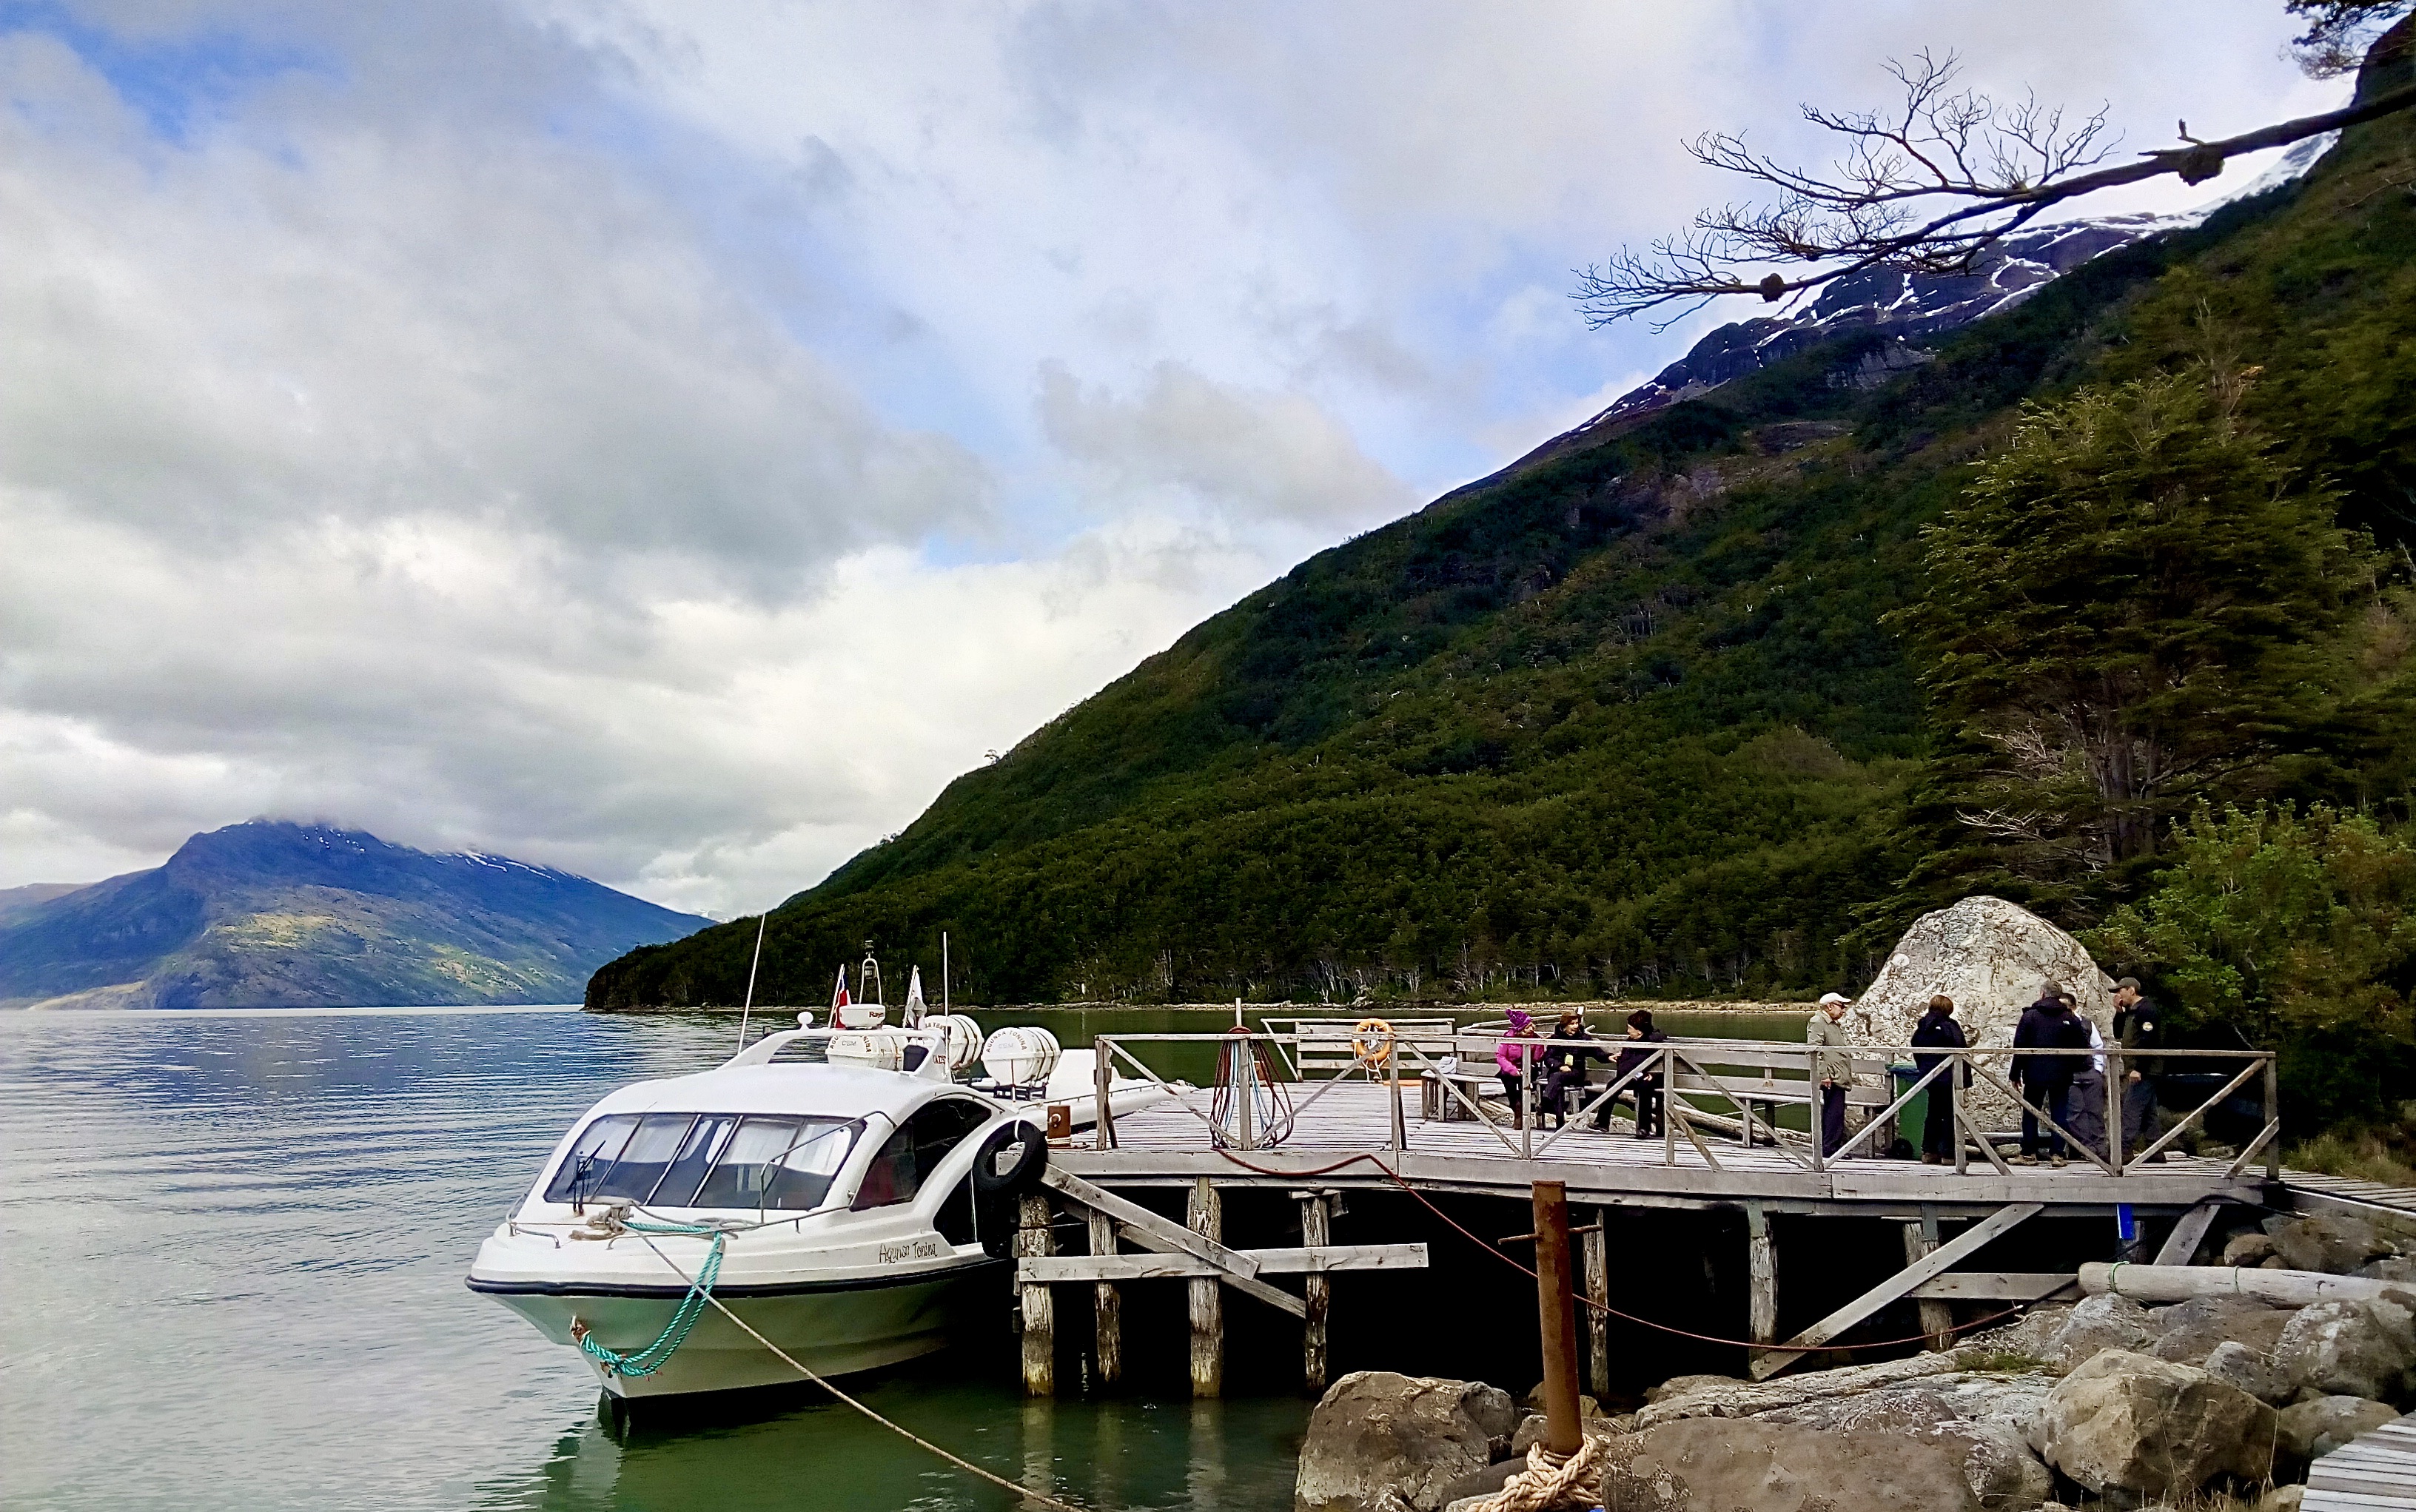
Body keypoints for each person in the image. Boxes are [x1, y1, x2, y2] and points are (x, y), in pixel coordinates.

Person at [2013, 985, 2081, 1166]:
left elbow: (2020, 1046)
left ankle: (2028, 1153)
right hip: (2062, 1074)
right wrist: (2074, 1067)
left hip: (2034, 1073)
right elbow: (2082, 1046)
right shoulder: (2069, 1018)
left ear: (2042, 994)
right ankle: (2058, 1153)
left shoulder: (2030, 1016)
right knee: (2059, 1112)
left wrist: (2015, 1073)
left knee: (2031, 1112)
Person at [1908, 995, 1970, 1164]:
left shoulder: (1922, 1028)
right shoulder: (1950, 1027)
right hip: (1949, 1077)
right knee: (1950, 1114)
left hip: (1930, 1077)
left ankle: (1929, 1151)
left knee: (1933, 1113)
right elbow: (1960, 1051)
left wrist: (1924, 1069)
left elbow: (1917, 1049)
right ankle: (1949, 1154)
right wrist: (1964, 1079)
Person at [2113, 977, 2167, 1163]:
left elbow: (2148, 1041)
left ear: (2131, 990)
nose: (2118, 994)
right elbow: (2119, 1034)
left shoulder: (2147, 1010)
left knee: (2131, 1110)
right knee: (2149, 1111)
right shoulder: (2133, 1012)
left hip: (2145, 1070)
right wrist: (2119, 1012)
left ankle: (2125, 1151)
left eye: (2120, 990)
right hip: (2141, 1069)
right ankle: (2156, 1150)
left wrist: (2138, 1069)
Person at [1606, 1009, 1669, 1136]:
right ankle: (1602, 1121)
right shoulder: (1632, 1042)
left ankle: (1644, 1128)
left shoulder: (1651, 1043)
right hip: (1635, 1076)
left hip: (1654, 1078)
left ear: (1639, 1031)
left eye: (1630, 1028)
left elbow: (1631, 1065)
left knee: (1644, 1087)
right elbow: (1627, 1067)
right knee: (1613, 1084)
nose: (1628, 1031)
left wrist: (1652, 1073)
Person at [2064, 993, 2110, 1161]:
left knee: (2095, 1111)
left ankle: (2100, 1147)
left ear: (2074, 1007)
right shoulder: (2060, 1024)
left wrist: (2098, 1069)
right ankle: (2087, 1148)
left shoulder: (2087, 1024)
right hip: (2070, 1073)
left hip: (2090, 1072)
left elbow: (2098, 1046)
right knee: (2075, 1113)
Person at [1808, 992, 1854, 1157]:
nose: (1843, 1010)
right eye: (1841, 1006)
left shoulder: (1833, 1024)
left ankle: (1831, 1147)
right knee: (1832, 1112)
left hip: (1838, 1075)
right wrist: (1824, 1075)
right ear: (1830, 1006)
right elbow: (1814, 1051)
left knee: (1836, 1111)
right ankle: (1829, 1148)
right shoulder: (1818, 1022)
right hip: (1831, 1076)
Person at [1540, 1010, 1600, 1129]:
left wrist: (1609, 1057)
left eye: (1577, 1023)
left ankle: (1546, 1102)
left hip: (1576, 1072)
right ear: (1565, 1025)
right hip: (1558, 1071)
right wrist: (1559, 1066)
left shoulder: (1583, 1038)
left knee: (1556, 1078)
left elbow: (1596, 1052)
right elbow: (1548, 1058)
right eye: (1572, 1024)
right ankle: (1560, 1124)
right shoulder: (1556, 1038)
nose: (1576, 1026)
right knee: (1557, 1082)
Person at [1497, 1009, 1543, 1128]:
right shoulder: (1508, 1038)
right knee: (1508, 1080)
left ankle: (1522, 1111)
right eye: (1528, 1027)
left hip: (1529, 1066)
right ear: (1520, 1029)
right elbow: (1501, 1057)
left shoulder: (1535, 1038)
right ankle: (1516, 1108)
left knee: (1525, 1084)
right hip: (1511, 1067)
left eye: (1532, 1025)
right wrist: (1513, 1070)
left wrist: (1539, 1044)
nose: (1532, 1029)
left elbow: (1537, 1058)